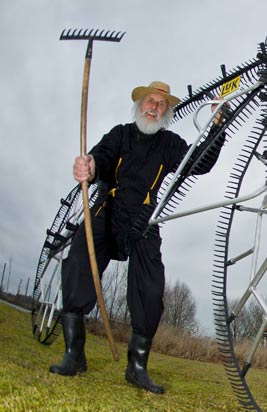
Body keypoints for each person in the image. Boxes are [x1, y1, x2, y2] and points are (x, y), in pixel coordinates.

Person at [49, 81, 226, 394]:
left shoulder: (170, 144)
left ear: (166, 112)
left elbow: (199, 162)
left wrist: (216, 125)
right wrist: (88, 166)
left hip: (144, 219)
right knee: (79, 262)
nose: (154, 107)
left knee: (150, 285)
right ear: (139, 105)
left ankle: (137, 368)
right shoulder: (120, 134)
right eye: (150, 101)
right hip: (108, 208)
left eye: (161, 104)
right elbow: (100, 159)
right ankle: (74, 355)